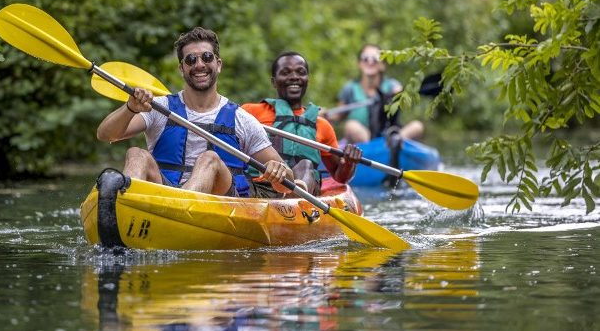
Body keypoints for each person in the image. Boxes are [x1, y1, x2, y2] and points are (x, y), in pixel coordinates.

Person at [96, 26, 298, 198]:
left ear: (218, 65)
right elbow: (105, 135)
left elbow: (285, 185)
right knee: (136, 154)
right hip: (164, 196)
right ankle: (127, 205)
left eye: (207, 57)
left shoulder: (242, 119)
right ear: (182, 68)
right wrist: (130, 108)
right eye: (191, 60)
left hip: (220, 204)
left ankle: (178, 206)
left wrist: (281, 171)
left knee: (209, 159)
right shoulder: (160, 107)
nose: (199, 64)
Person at [241, 52, 362, 198]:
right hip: (261, 187)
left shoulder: (322, 125)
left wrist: (349, 163)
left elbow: (340, 177)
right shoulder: (250, 112)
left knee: (306, 165)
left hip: (304, 194)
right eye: (285, 72)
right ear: (274, 81)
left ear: (307, 80)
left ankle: (295, 194)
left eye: (301, 72)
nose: (294, 77)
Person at [331, 43, 424, 144]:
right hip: (364, 140)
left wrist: (398, 95)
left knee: (417, 126)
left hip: (389, 135)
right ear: (359, 63)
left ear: (383, 65)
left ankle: (390, 145)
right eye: (365, 58)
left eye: (375, 58)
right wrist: (325, 114)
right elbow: (337, 115)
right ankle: (374, 150)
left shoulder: (392, 86)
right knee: (351, 125)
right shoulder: (350, 88)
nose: (370, 62)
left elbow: (404, 101)